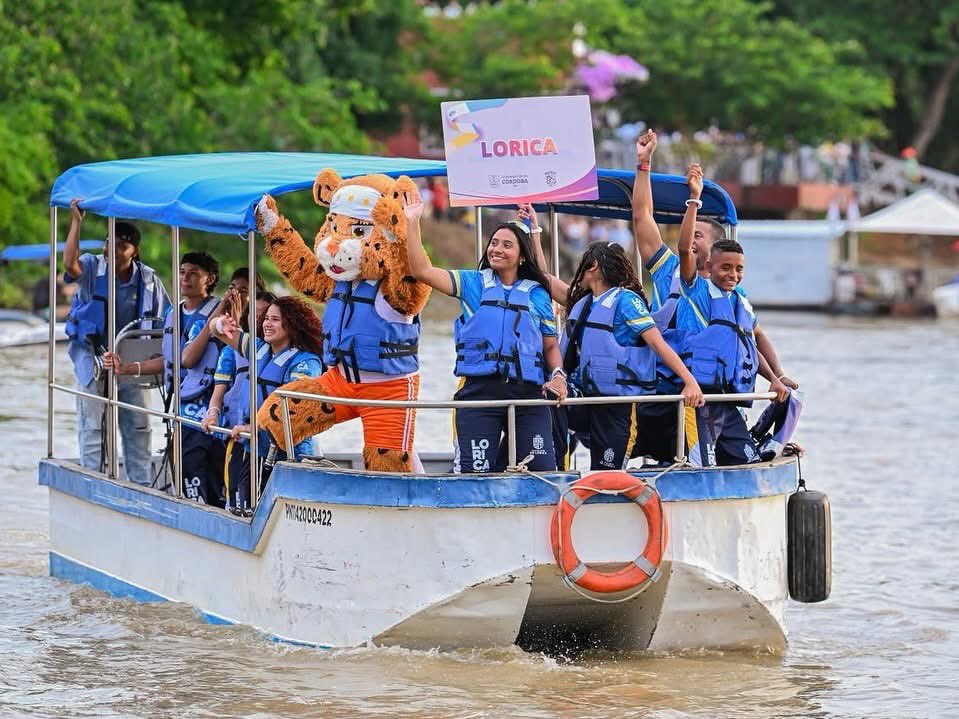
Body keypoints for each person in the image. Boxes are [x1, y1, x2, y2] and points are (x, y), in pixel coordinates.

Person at [523, 205, 704, 470]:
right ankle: (555, 467)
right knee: (551, 399)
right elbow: (544, 279)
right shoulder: (583, 302)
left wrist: (690, 382)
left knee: (607, 468)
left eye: (583, 265)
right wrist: (535, 232)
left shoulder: (626, 302)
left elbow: (657, 343)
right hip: (585, 395)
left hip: (616, 405)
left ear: (593, 266)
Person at [405, 192, 567, 473]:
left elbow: (550, 347)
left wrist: (558, 376)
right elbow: (422, 270)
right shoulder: (472, 283)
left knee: (543, 471)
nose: (497, 250)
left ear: (521, 256)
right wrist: (412, 222)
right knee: (475, 472)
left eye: (507, 245)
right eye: (494, 243)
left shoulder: (538, 295)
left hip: (528, 395)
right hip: (480, 393)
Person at [63, 198, 169, 487]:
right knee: (92, 426)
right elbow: (69, 264)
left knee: (137, 427)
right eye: (109, 243)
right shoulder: (92, 267)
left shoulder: (148, 281)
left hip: (129, 362)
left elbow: (167, 323)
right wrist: (76, 222)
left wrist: (151, 364)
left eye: (121, 245)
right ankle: (94, 483)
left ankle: (141, 486)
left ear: (134, 251)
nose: (112, 250)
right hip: (92, 356)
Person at [212, 295, 323, 514]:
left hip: (290, 455)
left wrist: (253, 426)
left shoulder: (306, 362)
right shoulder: (257, 348)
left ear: (291, 325)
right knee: (244, 512)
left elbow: (293, 408)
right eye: (266, 318)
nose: (266, 324)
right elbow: (216, 331)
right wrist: (220, 324)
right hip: (254, 449)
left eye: (275, 319)